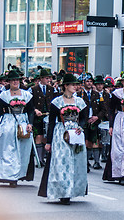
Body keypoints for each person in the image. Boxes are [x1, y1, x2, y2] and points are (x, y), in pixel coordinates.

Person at [38, 73, 87, 205]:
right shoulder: (56, 102)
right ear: (65, 86)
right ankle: (63, 192)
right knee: (62, 161)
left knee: (76, 161)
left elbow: (83, 118)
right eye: (72, 85)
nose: (75, 87)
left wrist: (81, 127)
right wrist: (48, 142)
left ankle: (73, 190)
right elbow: (52, 122)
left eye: (76, 85)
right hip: (61, 132)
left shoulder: (80, 102)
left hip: (75, 133)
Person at [0, 70, 35, 187]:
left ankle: (19, 174)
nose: (15, 82)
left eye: (17, 80)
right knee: (8, 150)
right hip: (8, 122)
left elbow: (31, 111)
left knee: (22, 149)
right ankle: (8, 175)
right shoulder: (3, 96)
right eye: (13, 80)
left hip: (22, 122)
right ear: (9, 82)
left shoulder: (26, 95)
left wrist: (30, 124)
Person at [76, 73, 106, 171]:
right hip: (83, 121)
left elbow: (103, 109)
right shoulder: (79, 94)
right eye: (87, 81)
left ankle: (92, 161)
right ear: (83, 82)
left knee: (93, 141)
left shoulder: (97, 94)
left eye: (90, 81)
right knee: (84, 142)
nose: (89, 83)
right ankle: (85, 162)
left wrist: (97, 117)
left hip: (94, 121)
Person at [30, 68, 57, 167]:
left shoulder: (52, 89)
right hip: (38, 116)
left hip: (49, 116)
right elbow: (30, 103)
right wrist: (35, 110)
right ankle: (39, 160)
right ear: (41, 78)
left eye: (49, 78)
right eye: (46, 78)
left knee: (46, 137)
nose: (49, 80)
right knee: (39, 136)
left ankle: (45, 158)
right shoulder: (33, 89)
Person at [94, 75, 111, 162]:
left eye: (101, 84)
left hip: (106, 117)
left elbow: (109, 106)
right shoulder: (93, 94)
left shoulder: (106, 94)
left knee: (106, 136)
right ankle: (97, 155)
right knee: (98, 138)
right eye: (98, 84)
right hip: (97, 117)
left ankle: (105, 154)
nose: (100, 86)